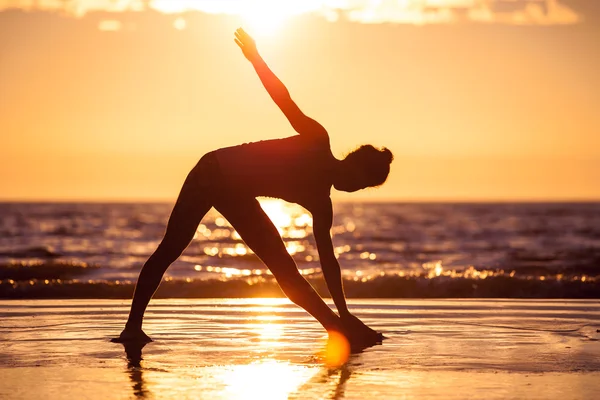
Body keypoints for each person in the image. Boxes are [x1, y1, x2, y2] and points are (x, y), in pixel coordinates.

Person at [113, 28, 393, 349]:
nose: (355, 188)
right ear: (352, 161)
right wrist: (256, 58)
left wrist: (346, 312)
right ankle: (132, 327)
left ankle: (336, 327)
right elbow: (283, 99)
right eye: (360, 180)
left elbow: (329, 262)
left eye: (363, 188)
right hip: (213, 171)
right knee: (172, 247)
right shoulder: (318, 140)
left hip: (237, 194)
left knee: (283, 267)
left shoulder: (321, 203)